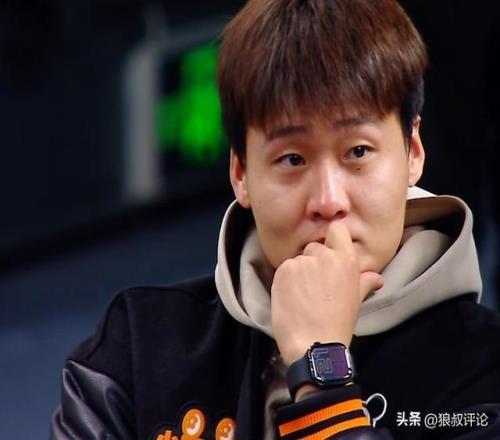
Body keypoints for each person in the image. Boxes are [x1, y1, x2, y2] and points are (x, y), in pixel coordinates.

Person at [50, 1, 500, 439]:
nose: (328, 201)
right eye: (292, 159)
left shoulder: (481, 372)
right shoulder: (141, 346)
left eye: (358, 151)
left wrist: (320, 376)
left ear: (413, 152)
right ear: (241, 173)